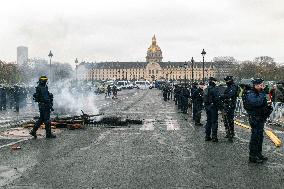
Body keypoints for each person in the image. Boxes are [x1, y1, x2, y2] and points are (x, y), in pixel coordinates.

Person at [245, 78, 273, 163]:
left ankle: (258, 153)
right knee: (255, 137)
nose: (262, 86)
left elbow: (265, 102)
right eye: (260, 85)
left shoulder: (259, 92)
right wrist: (262, 93)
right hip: (254, 118)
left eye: (262, 85)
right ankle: (252, 156)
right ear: (255, 85)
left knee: (260, 137)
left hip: (260, 118)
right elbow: (256, 102)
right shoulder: (251, 93)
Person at [221, 76, 238, 142]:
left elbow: (230, 94)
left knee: (229, 120)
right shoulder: (229, 86)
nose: (226, 82)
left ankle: (231, 133)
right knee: (226, 119)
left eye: (227, 80)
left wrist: (222, 96)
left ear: (230, 80)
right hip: (227, 105)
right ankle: (228, 132)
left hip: (230, 105)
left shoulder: (233, 86)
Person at [204, 77, 221, 142]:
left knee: (208, 122)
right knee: (214, 122)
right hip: (213, 107)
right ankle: (214, 137)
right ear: (213, 82)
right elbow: (218, 98)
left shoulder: (206, 89)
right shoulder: (214, 89)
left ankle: (207, 136)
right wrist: (220, 106)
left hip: (207, 107)